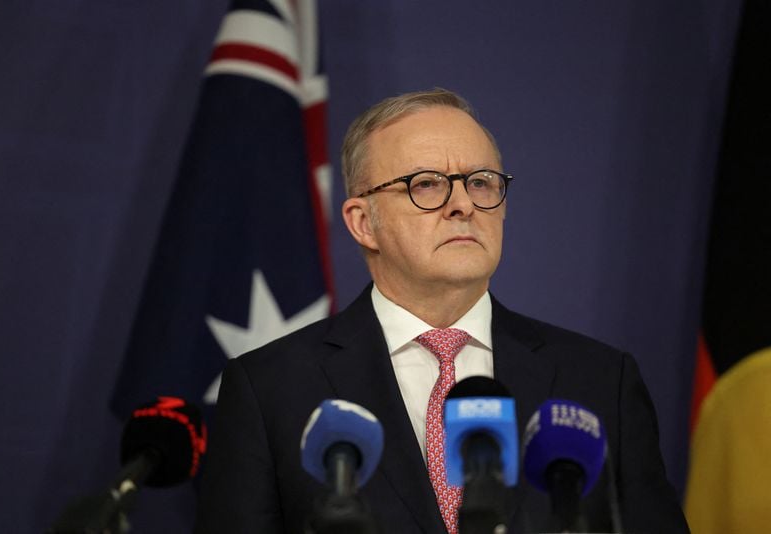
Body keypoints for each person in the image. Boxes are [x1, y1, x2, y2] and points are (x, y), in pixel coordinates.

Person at [195, 88, 689, 533]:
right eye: (427, 184)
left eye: (481, 182)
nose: (463, 205)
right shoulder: (270, 390)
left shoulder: (600, 382)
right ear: (363, 222)